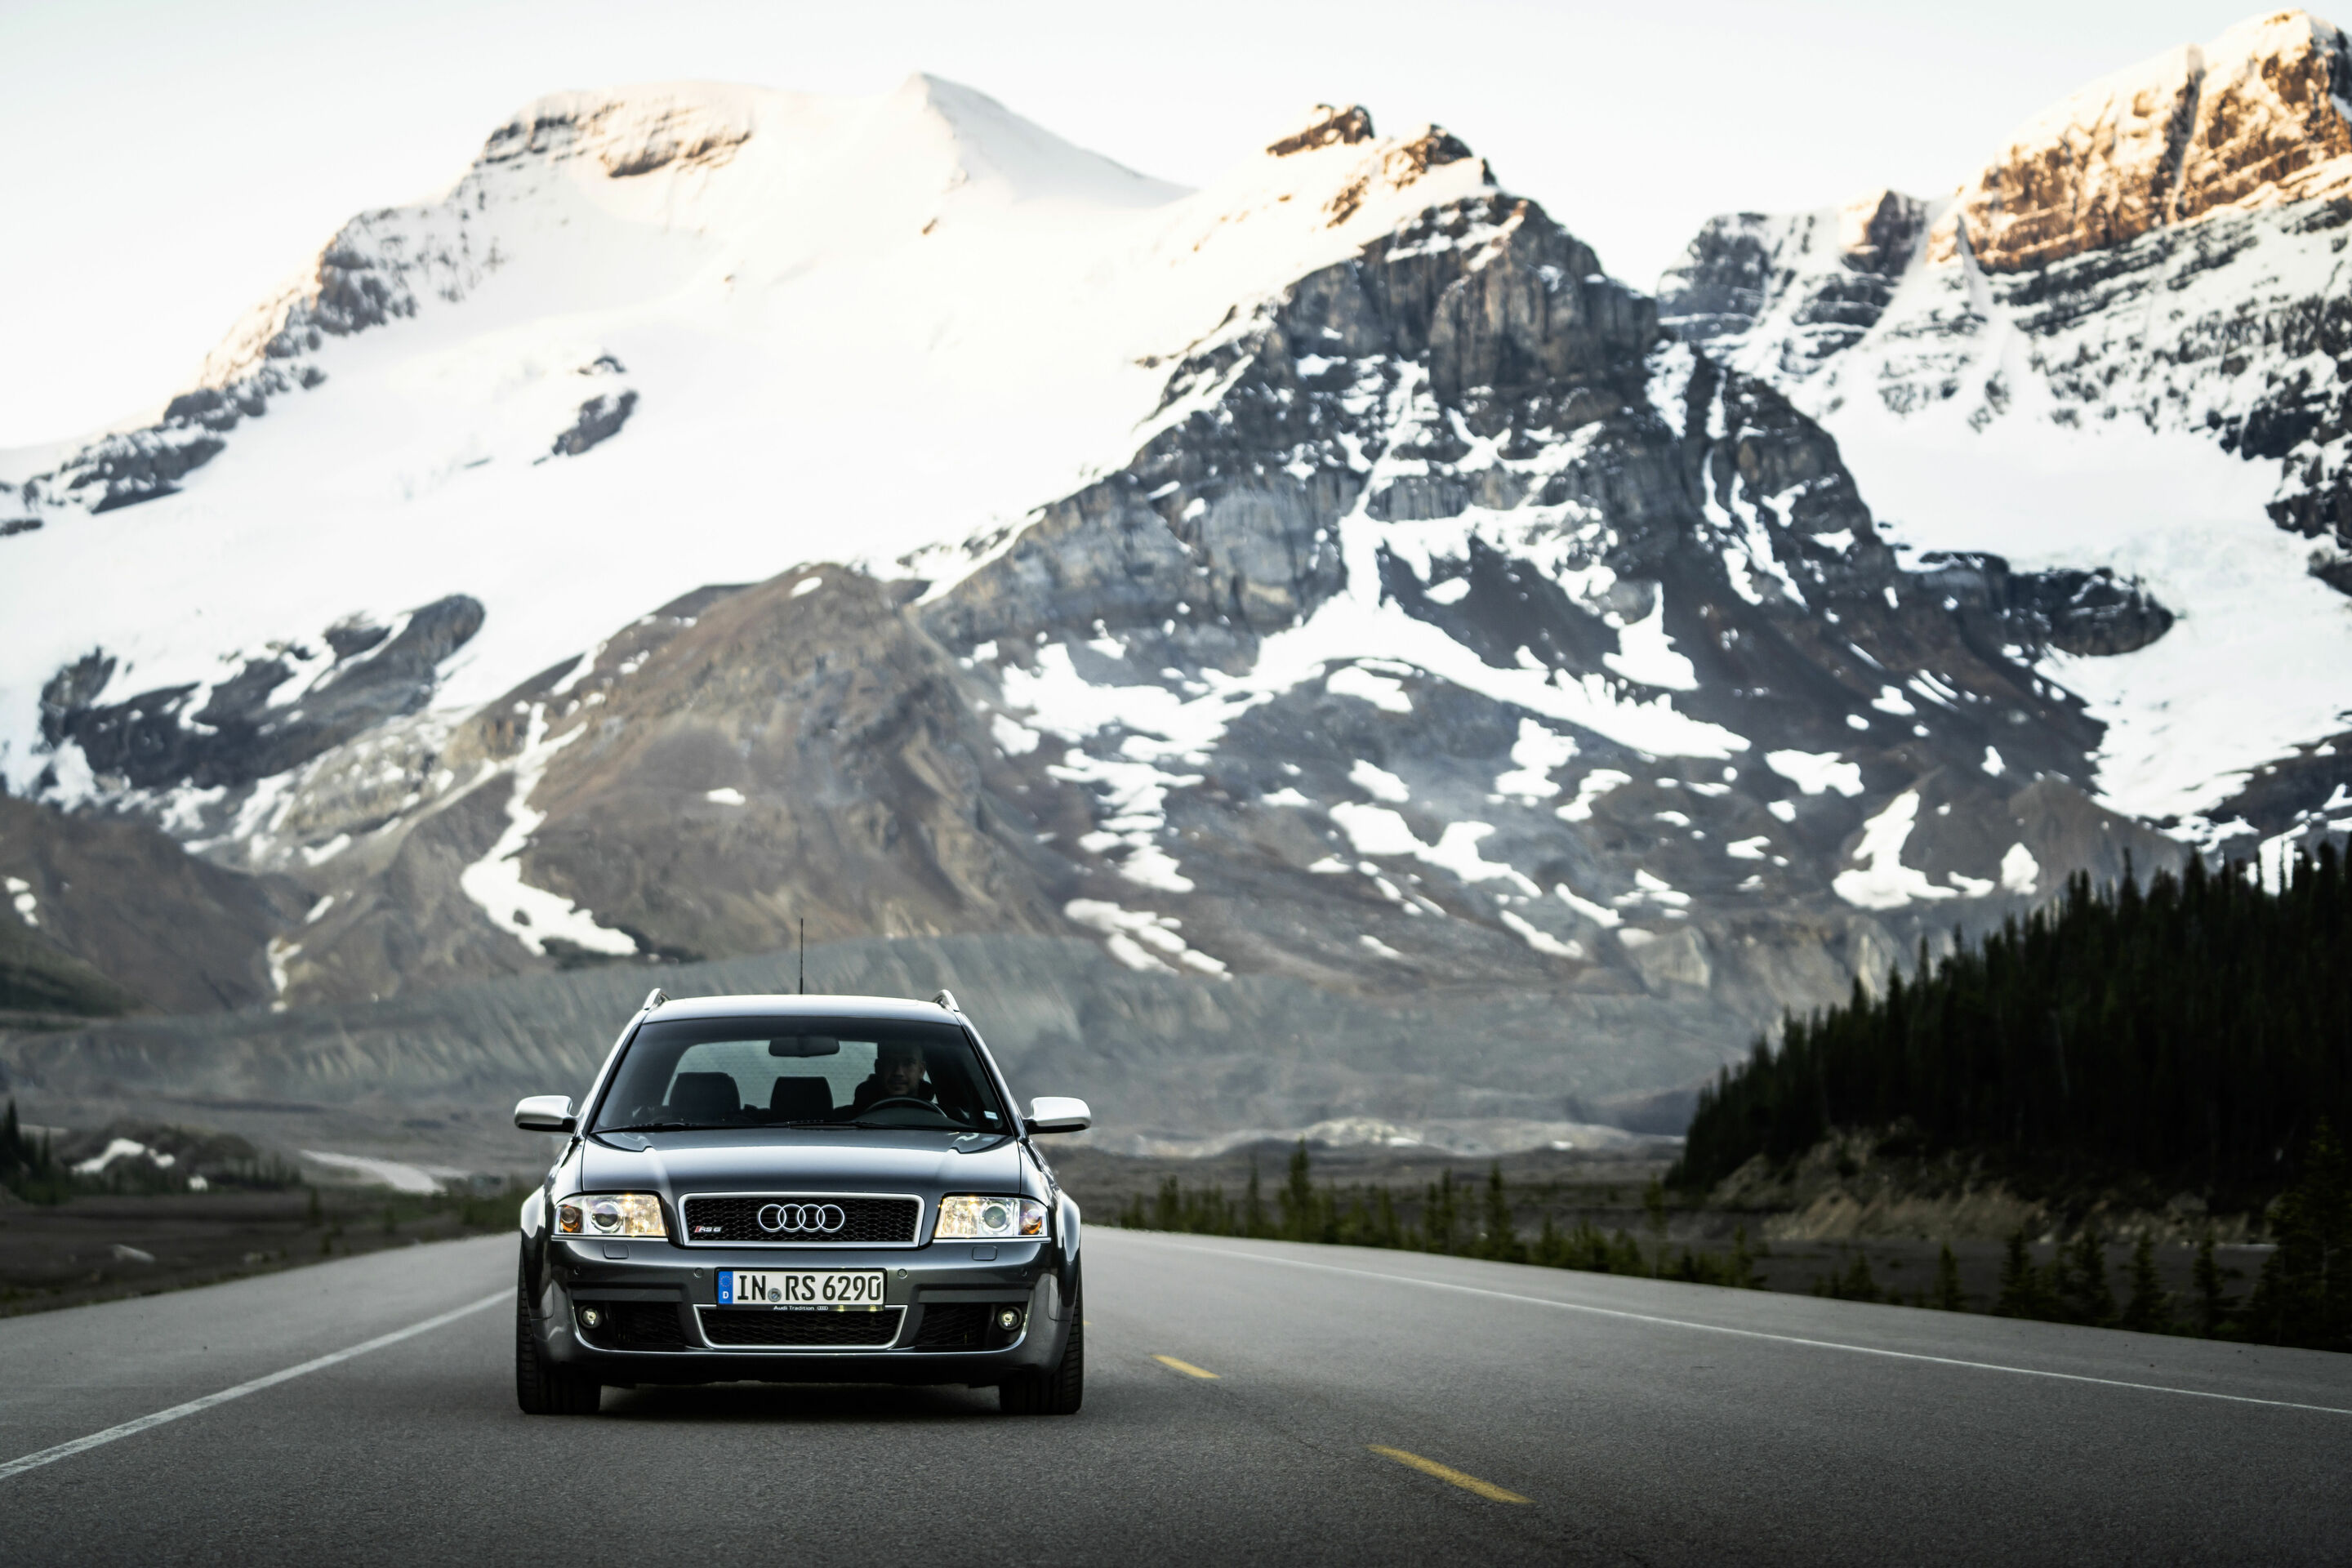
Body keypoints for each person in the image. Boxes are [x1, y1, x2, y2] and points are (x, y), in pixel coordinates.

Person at [847, 1040, 932, 1116]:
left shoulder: (937, 1118)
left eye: (908, 1063)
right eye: (890, 1062)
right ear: (878, 1067)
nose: (898, 1072)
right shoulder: (846, 1121)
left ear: (921, 1070)